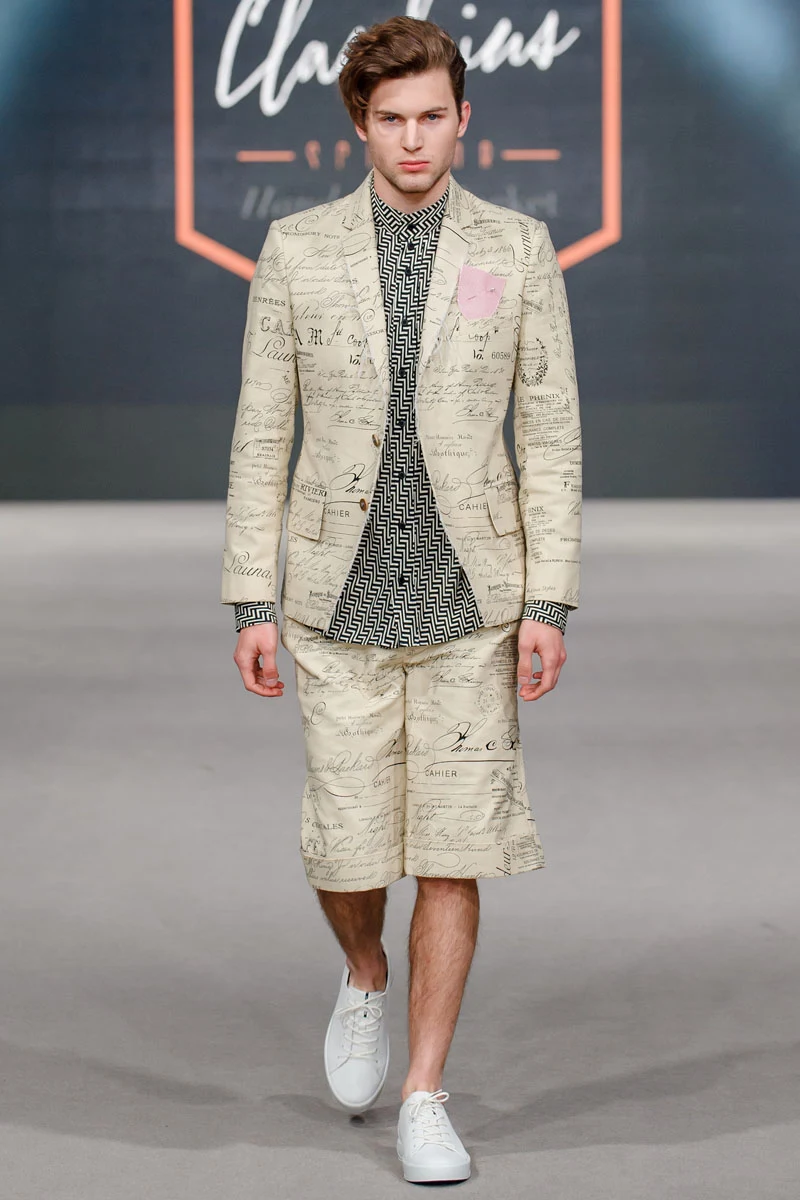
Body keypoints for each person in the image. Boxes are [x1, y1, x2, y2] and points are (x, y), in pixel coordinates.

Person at [221, 15, 581, 1185]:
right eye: (391, 119)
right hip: (333, 601)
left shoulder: (517, 247)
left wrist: (549, 602)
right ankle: (364, 971)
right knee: (346, 847)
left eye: (432, 116)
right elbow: (262, 431)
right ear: (358, 124)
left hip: (474, 600)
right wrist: (249, 598)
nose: (413, 139)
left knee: (452, 852)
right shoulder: (297, 250)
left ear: (462, 118)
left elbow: (551, 435)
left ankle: (426, 1091)